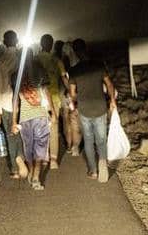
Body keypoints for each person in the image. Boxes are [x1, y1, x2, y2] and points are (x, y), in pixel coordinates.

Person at [68, 39, 117, 183]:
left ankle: (93, 171)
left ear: (75, 52)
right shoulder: (99, 65)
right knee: (101, 139)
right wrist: (112, 101)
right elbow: (110, 85)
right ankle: (103, 161)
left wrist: (76, 101)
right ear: (86, 49)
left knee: (88, 140)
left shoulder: (74, 70)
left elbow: (72, 93)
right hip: (100, 106)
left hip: (84, 108)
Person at [11, 61, 55, 190]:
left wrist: (14, 121)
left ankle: (31, 172)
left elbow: (15, 101)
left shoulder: (16, 76)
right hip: (40, 116)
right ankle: (36, 176)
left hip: (25, 118)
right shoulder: (39, 71)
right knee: (40, 148)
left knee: (29, 148)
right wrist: (53, 113)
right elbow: (47, 93)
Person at [0, 30, 27, 179]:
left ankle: (15, 167)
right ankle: (22, 156)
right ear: (17, 41)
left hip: (6, 103)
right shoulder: (22, 58)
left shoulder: (0, 61)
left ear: (4, 42)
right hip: (24, 101)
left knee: (11, 136)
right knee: (21, 133)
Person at [35, 34, 68, 169]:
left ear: (40, 44)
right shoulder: (56, 60)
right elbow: (64, 78)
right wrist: (70, 91)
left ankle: (44, 157)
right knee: (54, 128)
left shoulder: (35, 59)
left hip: (38, 99)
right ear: (52, 45)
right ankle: (54, 160)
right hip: (54, 98)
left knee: (41, 129)